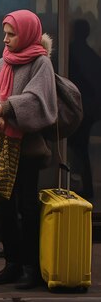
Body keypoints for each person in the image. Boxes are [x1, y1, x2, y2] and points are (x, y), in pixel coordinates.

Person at [0, 10, 57, 289]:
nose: (5, 39)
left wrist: (4, 108)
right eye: (5, 33)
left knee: (28, 208)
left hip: (27, 150)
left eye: (12, 34)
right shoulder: (2, 62)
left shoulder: (40, 63)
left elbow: (39, 101)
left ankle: (32, 268)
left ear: (28, 33)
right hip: (1, 147)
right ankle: (12, 264)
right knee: (4, 207)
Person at [68, 18, 101, 199]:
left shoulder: (70, 52)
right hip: (89, 111)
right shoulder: (91, 55)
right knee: (80, 148)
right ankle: (85, 187)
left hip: (76, 109)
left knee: (76, 148)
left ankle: (81, 187)